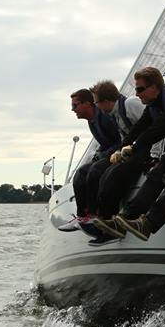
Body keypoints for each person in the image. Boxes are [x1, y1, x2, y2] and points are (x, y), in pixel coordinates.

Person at [96, 68, 165, 242]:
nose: (137, 94)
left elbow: (160, 128)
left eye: (140, 89)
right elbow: (139, 128)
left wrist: (133, 148)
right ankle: (126, 218)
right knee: (156, 172)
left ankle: (149, 223)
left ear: (154, 87)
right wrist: (120, 149)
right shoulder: (154, 106)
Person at [59, 88, 120, 232]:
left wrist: (103, 155)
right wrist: (100, 153)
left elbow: (120, 140)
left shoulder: (104, 117)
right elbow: (105, 143)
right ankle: (82, 216)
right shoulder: (92, 121)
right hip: (108, 154)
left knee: (94, 170)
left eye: (75, 105)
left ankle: (94, 215)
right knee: (80, 173)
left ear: (87, 104)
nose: (73, 109)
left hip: (118, 154)